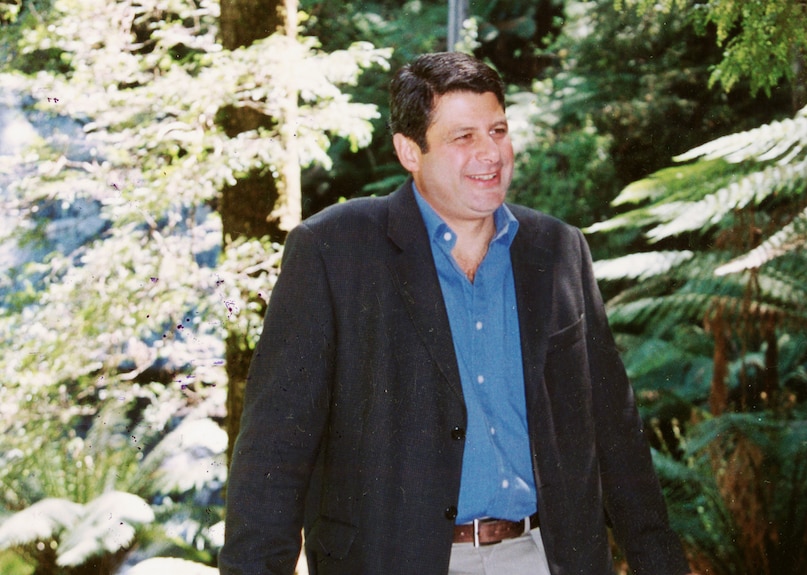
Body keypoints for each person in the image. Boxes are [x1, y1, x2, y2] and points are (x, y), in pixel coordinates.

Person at [219, 52, 692, 575]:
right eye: (463, 137)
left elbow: (615, 431)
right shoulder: (333, 251)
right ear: (409, 151)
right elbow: (274, 452)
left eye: (498, 130)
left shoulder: (557, 249)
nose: (490, 153)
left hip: (545, 558)